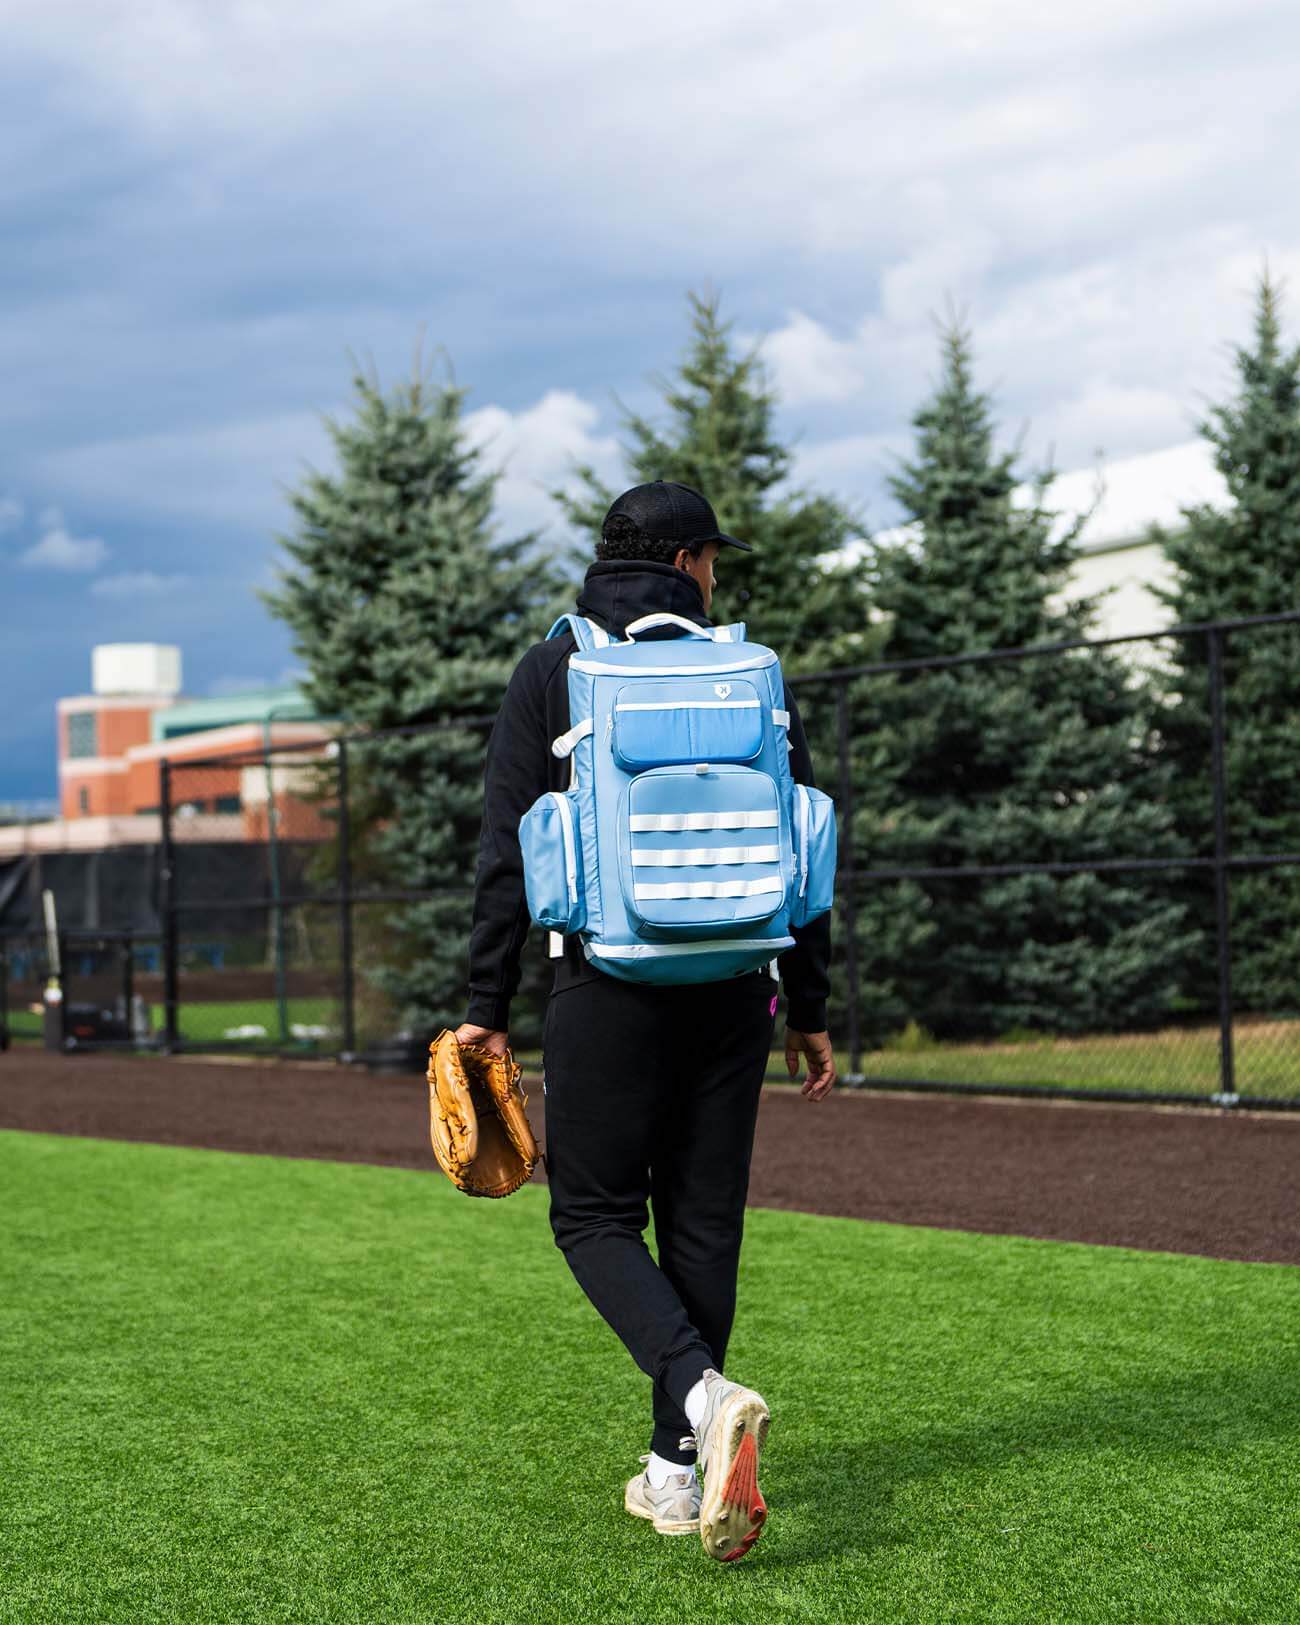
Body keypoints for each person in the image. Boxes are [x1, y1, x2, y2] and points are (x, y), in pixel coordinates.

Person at [456, 479, 836, 1562]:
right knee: (704, 1222)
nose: (716, 576)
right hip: (734, 984)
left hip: (606, 985)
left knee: (589, 1215)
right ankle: (676, 1470)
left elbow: (504, 852)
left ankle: (699, 1405)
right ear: (682, 563)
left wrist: (487, 1007)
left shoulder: (557, 666)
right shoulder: (747, 669)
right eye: (711, 558)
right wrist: (807, 1005)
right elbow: (802, 848)